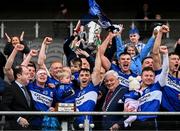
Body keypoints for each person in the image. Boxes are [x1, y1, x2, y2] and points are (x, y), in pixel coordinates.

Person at [73, 47, 101, 130]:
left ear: (90, 78)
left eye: (87, 75)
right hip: (74, 125)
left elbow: (97, 69)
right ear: (78, 78)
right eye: (82, 75)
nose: (84, 77)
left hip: (87, 125)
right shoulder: (76, 92)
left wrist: (97, 52)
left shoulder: (93, 87)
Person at [1, 65, 35, 130]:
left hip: (27, 126)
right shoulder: (10, 88)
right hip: (13, 126)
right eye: (27, 74)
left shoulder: (27, 89)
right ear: (19, 76)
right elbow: (4, 107)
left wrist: (47, 111)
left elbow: (30, 108)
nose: (29, 76)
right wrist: (18, 119)